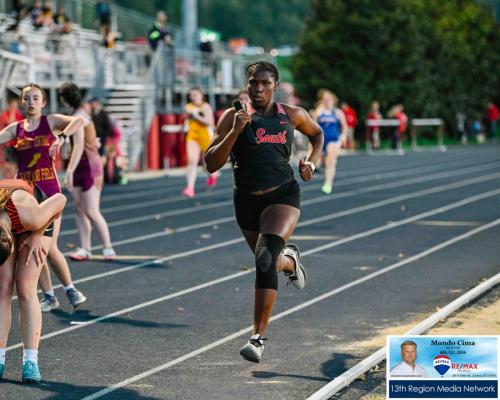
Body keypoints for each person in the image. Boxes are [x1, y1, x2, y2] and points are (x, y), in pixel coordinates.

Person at [205, 61, 323, 363]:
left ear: (275, 86)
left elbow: (317, 135)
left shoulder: (291, 115)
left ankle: (257, 338)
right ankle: (291, 261)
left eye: (264, 83)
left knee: (264, 258)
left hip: (282, 196)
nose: (258, 88)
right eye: (253, 82)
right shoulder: (232, 117)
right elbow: (211, 162)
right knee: (270, 261)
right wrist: (236, 130)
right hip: (245, 201)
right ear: (247, 84)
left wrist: (311, 163)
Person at [0, 83, 87, 313]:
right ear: (21, 101)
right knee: (31, 246)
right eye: (27, 98)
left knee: (48, 246)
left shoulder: (51, 122)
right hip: (25, 195)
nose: (31, 102)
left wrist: (62, 138)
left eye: (36, 98)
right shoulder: (15, 129)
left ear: (43, 102)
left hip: (49, 192)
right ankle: (50, 295)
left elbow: (80, 120)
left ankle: (70, 289)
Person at [0, 179, 67, 384]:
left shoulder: (31, 217)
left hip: (37, 217)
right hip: (8, 217)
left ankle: (31, 361)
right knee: (2, 286)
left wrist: (38, 234)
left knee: (25, 286)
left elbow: (60, 199)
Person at [58, 83, 116, 262]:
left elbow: (80, 145)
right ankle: (86, 248)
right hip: (81, 166)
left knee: (91, 210)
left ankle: (108, 247)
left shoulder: (79, 117)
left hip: (89, 166)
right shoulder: (80, 114)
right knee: (79, 209)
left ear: (63, 99)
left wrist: (68, 171)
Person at [182, 87, 218, 198]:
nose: (193, 97)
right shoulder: (188, 107)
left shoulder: (206, 107)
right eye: (191, 95)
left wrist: (197, 116)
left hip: (205, 136)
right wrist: (185, 126)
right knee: (192, 161)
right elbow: (186, 118)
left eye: (195, 95)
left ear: (201, 95)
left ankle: (212, 176)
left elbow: (210, 122)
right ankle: (190, 188)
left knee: (206, 163)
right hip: (193, 136)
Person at [311, 89, 347, 194]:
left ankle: (328, 183)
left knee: (330, 162)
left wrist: (343, 136)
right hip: (321, 140)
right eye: (325, 99)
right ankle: (318, 167)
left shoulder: (338, 112)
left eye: (329, 99)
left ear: (333, 100)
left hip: (333, 140)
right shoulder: (319, 112)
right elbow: (311, 123)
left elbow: (344, 126)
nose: (327, 101)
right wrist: (317, 111)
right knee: (319, 161)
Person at [0, 98, 23, 179]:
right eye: (13, 105)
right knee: (7, 165)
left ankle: (13, 181)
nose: (15, 107)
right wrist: (13, 112)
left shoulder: (18, 115)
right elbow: (11, 123)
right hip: (7, 145)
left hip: (16, 145)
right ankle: (6, 181)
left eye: (16, 106)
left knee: (15, 166)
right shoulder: (5, 115)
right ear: (9, 106)